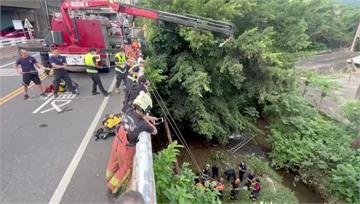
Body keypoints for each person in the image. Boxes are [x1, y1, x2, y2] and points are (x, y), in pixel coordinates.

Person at [106, 91, 158, 194]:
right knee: (125, 169)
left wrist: (146, 117)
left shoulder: (129, 110)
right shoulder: (143, 125)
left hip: (117, 140)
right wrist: (148, 120)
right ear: (146, 110)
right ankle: (112, 187)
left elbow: (137, 115)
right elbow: (155, 131)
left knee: (113, 160)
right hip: (126, 148)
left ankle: (108, 176)